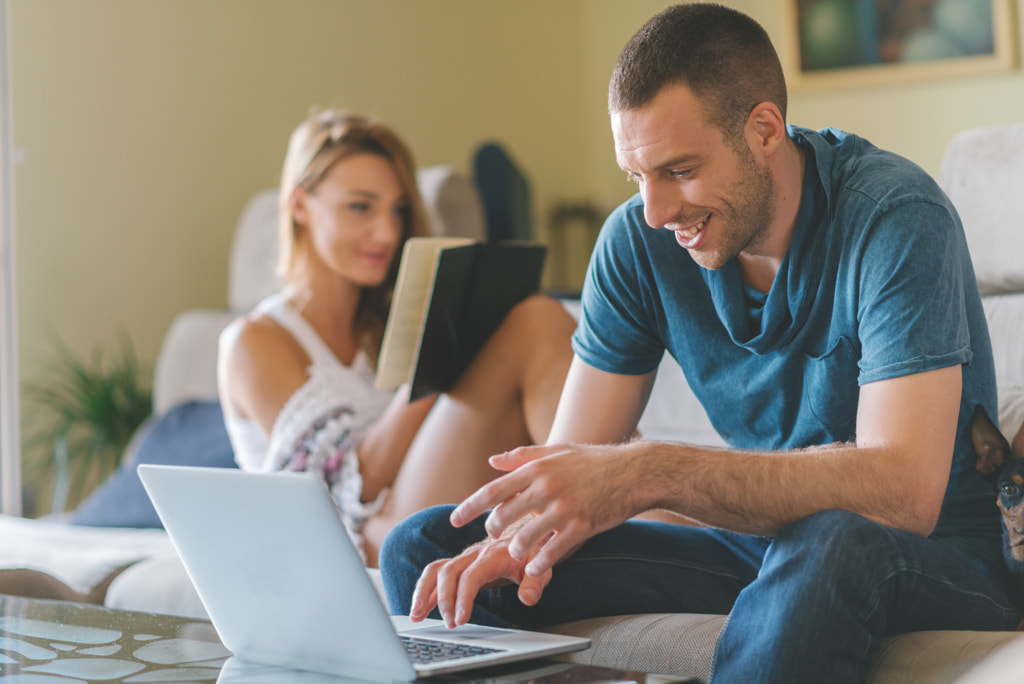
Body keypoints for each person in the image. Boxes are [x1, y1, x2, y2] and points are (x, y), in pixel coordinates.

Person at [379, 5, 1019, 682]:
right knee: (423, 548)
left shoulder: (893, 218)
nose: (654, 212)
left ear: (764, 129)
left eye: (679, 170)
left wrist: (650, 471)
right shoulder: (637, 242)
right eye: (637, 176)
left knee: (833, 537)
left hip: (936, 557)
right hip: (769, 552)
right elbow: (562, 481)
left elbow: (903, 495)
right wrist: (523, 535)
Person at [217, 109, 576, 568]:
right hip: (350, 541)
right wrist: (435, 367)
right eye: (361, 207)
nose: (387, 232)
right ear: (301, 206)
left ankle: (622, 506)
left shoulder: (387, 322)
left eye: (398, 210)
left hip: (420, 504)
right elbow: (340, 493)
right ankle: (627, 514)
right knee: (534, 325)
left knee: (537, 317)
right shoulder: (254, 342)